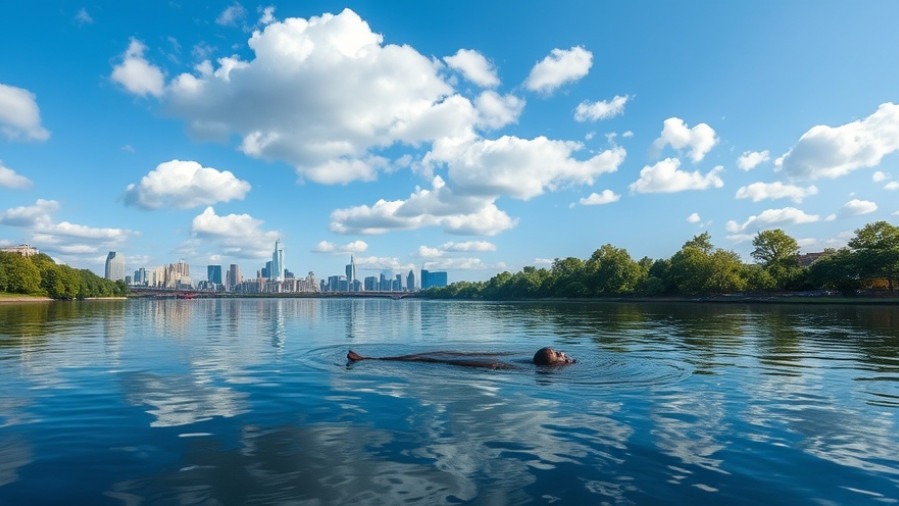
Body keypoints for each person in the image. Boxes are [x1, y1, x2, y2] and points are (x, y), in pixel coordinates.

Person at [346, 347, 575, 369]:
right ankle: (368, 359)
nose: (561, 353)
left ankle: (368, 359)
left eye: (558, 352)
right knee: (433, 358)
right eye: (557, 352)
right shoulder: (553, 366)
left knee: (437, 360)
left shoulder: (557, 365)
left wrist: (565, 360)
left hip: (492, 366)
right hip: (494, 365)